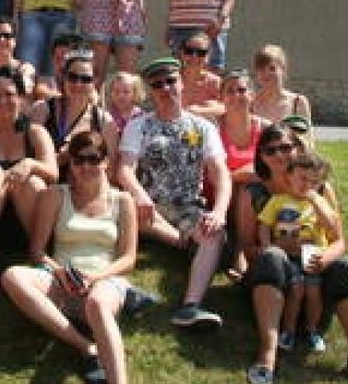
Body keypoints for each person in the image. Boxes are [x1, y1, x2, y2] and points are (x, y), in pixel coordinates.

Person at [239, 125, 348, 384]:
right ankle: (268, 354)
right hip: (275, 276)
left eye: (286, 147)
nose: (279, 155)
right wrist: (276, 247)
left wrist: (325, 257)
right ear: (261, 156)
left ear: (298, 149)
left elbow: (339, 240)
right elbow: (247, 247)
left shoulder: (321, 189)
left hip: (315, 269)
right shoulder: (254, 193)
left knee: (347, 266)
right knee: (271, 256)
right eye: (271, 150)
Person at [0, 131, 140, 384]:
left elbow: (128, 258)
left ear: (106, 162)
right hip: (61, 279)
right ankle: (85, 345)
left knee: (97, 304)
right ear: (71, 164)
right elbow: (37, 251)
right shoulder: (55, 195)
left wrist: (96, 278)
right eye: (77, 160)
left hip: (104, 281)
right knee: (11, 276)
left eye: (92, 159)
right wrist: (60, 272)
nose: (85, 166)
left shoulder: (123, 201)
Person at [114, 57, 229, 328]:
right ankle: (182, 241)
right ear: (150, 91)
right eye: (157, 84)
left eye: (170, 81)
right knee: (126, 206)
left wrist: (220, 211)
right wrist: (141, 195)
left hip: (187, 206)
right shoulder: (138, 125)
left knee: (214, 235)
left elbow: (220, 172)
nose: (165, 88)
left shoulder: (204, 127)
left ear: (181, 83)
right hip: (146, 205)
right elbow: (125, 170)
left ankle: (190, 307)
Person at [0, 66, 56, 289]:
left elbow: (53, 173)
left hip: (28, 219)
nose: (3, 101)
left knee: (32, 180)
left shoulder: (35, 132)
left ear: (21, 97)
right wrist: (0, 176)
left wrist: (30, 163)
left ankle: (38, 253)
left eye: (9, 94)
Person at [255, 152, 340, 354]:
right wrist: (268, 247)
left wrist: (316, 200)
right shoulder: (278, 200)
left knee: (313, 293)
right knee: (296, 290)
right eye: (303, 178)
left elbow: (330, 226)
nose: (307, 185)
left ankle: (312, 330)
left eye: (314, 181)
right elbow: (264, 225)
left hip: (313, 256)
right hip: (288, 257)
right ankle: (289, 330)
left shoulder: (319, 203)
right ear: (289, 176)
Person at [215, 68, 269, 280]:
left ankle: (240, 251)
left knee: (247, 190)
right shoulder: (212, 128)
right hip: (220, 195)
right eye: (230, 90)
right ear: (221, 97)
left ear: (252, 95)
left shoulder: (265, 129)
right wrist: (238, 176)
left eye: (242, 90)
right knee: (245, 188)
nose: (237, 95)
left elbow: (269, 168)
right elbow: (210, 169)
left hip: (256, 195)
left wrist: (231, 175)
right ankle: (241, 252)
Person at [30, 50, 118, 157]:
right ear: (63, 77)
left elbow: (109, 167)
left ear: (95, 81)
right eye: (72, 77)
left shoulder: (104, 121)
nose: (78, 84)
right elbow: (29, 154)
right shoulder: (42, 110)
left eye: (86, 79)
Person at [250, 43, 312, 124]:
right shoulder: (250, 103)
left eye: (272, 68)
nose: (266, 74)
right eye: (261, 69)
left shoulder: (298, 103)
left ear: (283, 69)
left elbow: (305, 136)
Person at [0, 16, 37, 98]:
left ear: (14, 42)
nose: (2, 40)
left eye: (7, 36)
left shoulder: (25, 68)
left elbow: (25, 90)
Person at [179, 31, 224, 120]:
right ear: (181, 53)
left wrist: (200, 111)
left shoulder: (215, 82)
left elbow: (226, 108)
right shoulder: (172, 80)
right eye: (189, 51)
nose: (194, 56)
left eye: (201, 53)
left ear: (208, 56)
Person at [103, 71, 145, 141]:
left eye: (126, 92)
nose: (121, 96)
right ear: (111, 93)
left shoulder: (139, 115)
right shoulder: (108, 115)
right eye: (117, 92)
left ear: (135, 93)